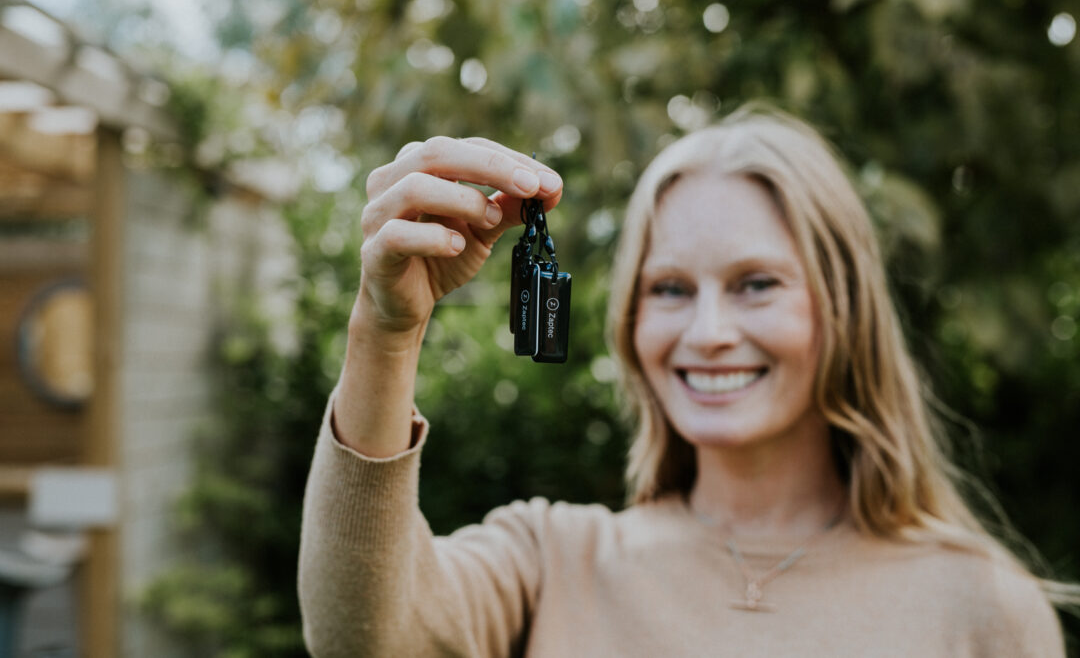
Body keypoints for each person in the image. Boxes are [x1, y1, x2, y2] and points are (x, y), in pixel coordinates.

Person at [298, 106, 1069, 657]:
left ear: (843, 309)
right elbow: (357, 636)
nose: (706, 333)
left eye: (756, 283)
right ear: (633, 321)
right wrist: (386, 333)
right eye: (669, 288)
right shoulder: (551, 560)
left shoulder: (985, 608)